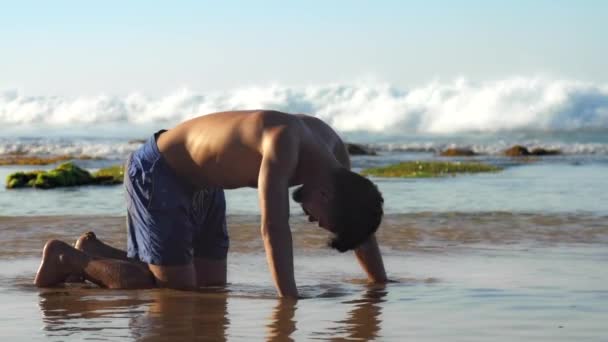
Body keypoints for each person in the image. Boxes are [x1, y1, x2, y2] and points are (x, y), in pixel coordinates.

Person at [34, 110, 387, 298]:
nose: (311, 221)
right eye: (321, 221)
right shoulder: (284, 145)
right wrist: (289, 301)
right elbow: (273, 228)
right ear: (326, 197)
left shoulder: (336, 161)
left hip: (208, 186)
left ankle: (95, 249)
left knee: (209, 287)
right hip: (161, 171)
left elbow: (359, 225)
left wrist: (380, 284)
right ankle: (69, 257)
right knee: (173, 289)